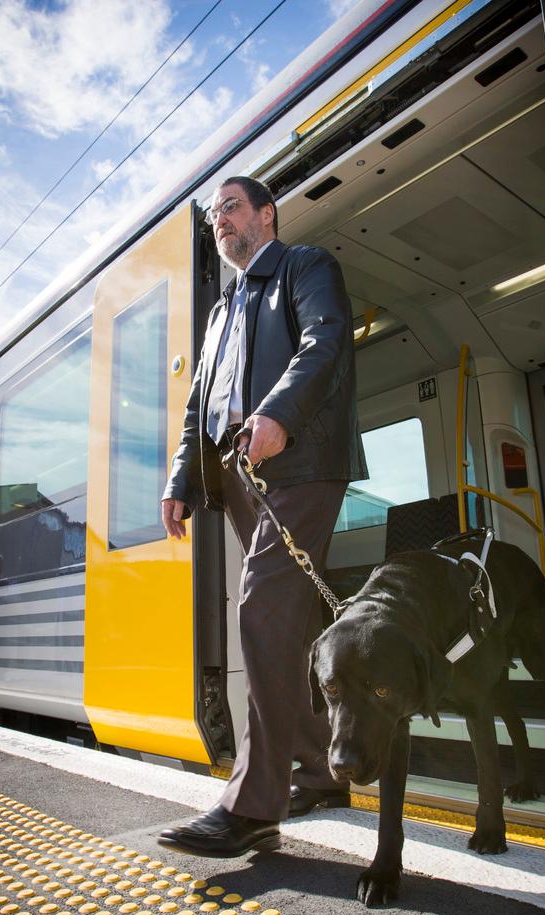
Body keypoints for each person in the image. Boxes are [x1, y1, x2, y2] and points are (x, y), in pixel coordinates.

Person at [158, 175, 367, 858]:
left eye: (230, 207)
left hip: (299, 465)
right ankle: (321, 774)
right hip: (239, 481)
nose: (219, 219)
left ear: (265, 214)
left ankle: (252, 803)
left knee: (261, 614)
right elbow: (198, 411)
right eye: (213, 213)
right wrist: (181, 480)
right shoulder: (220, 310)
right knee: (292, 624)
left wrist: (277, 412)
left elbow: (325, 341)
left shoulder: (305, 267)